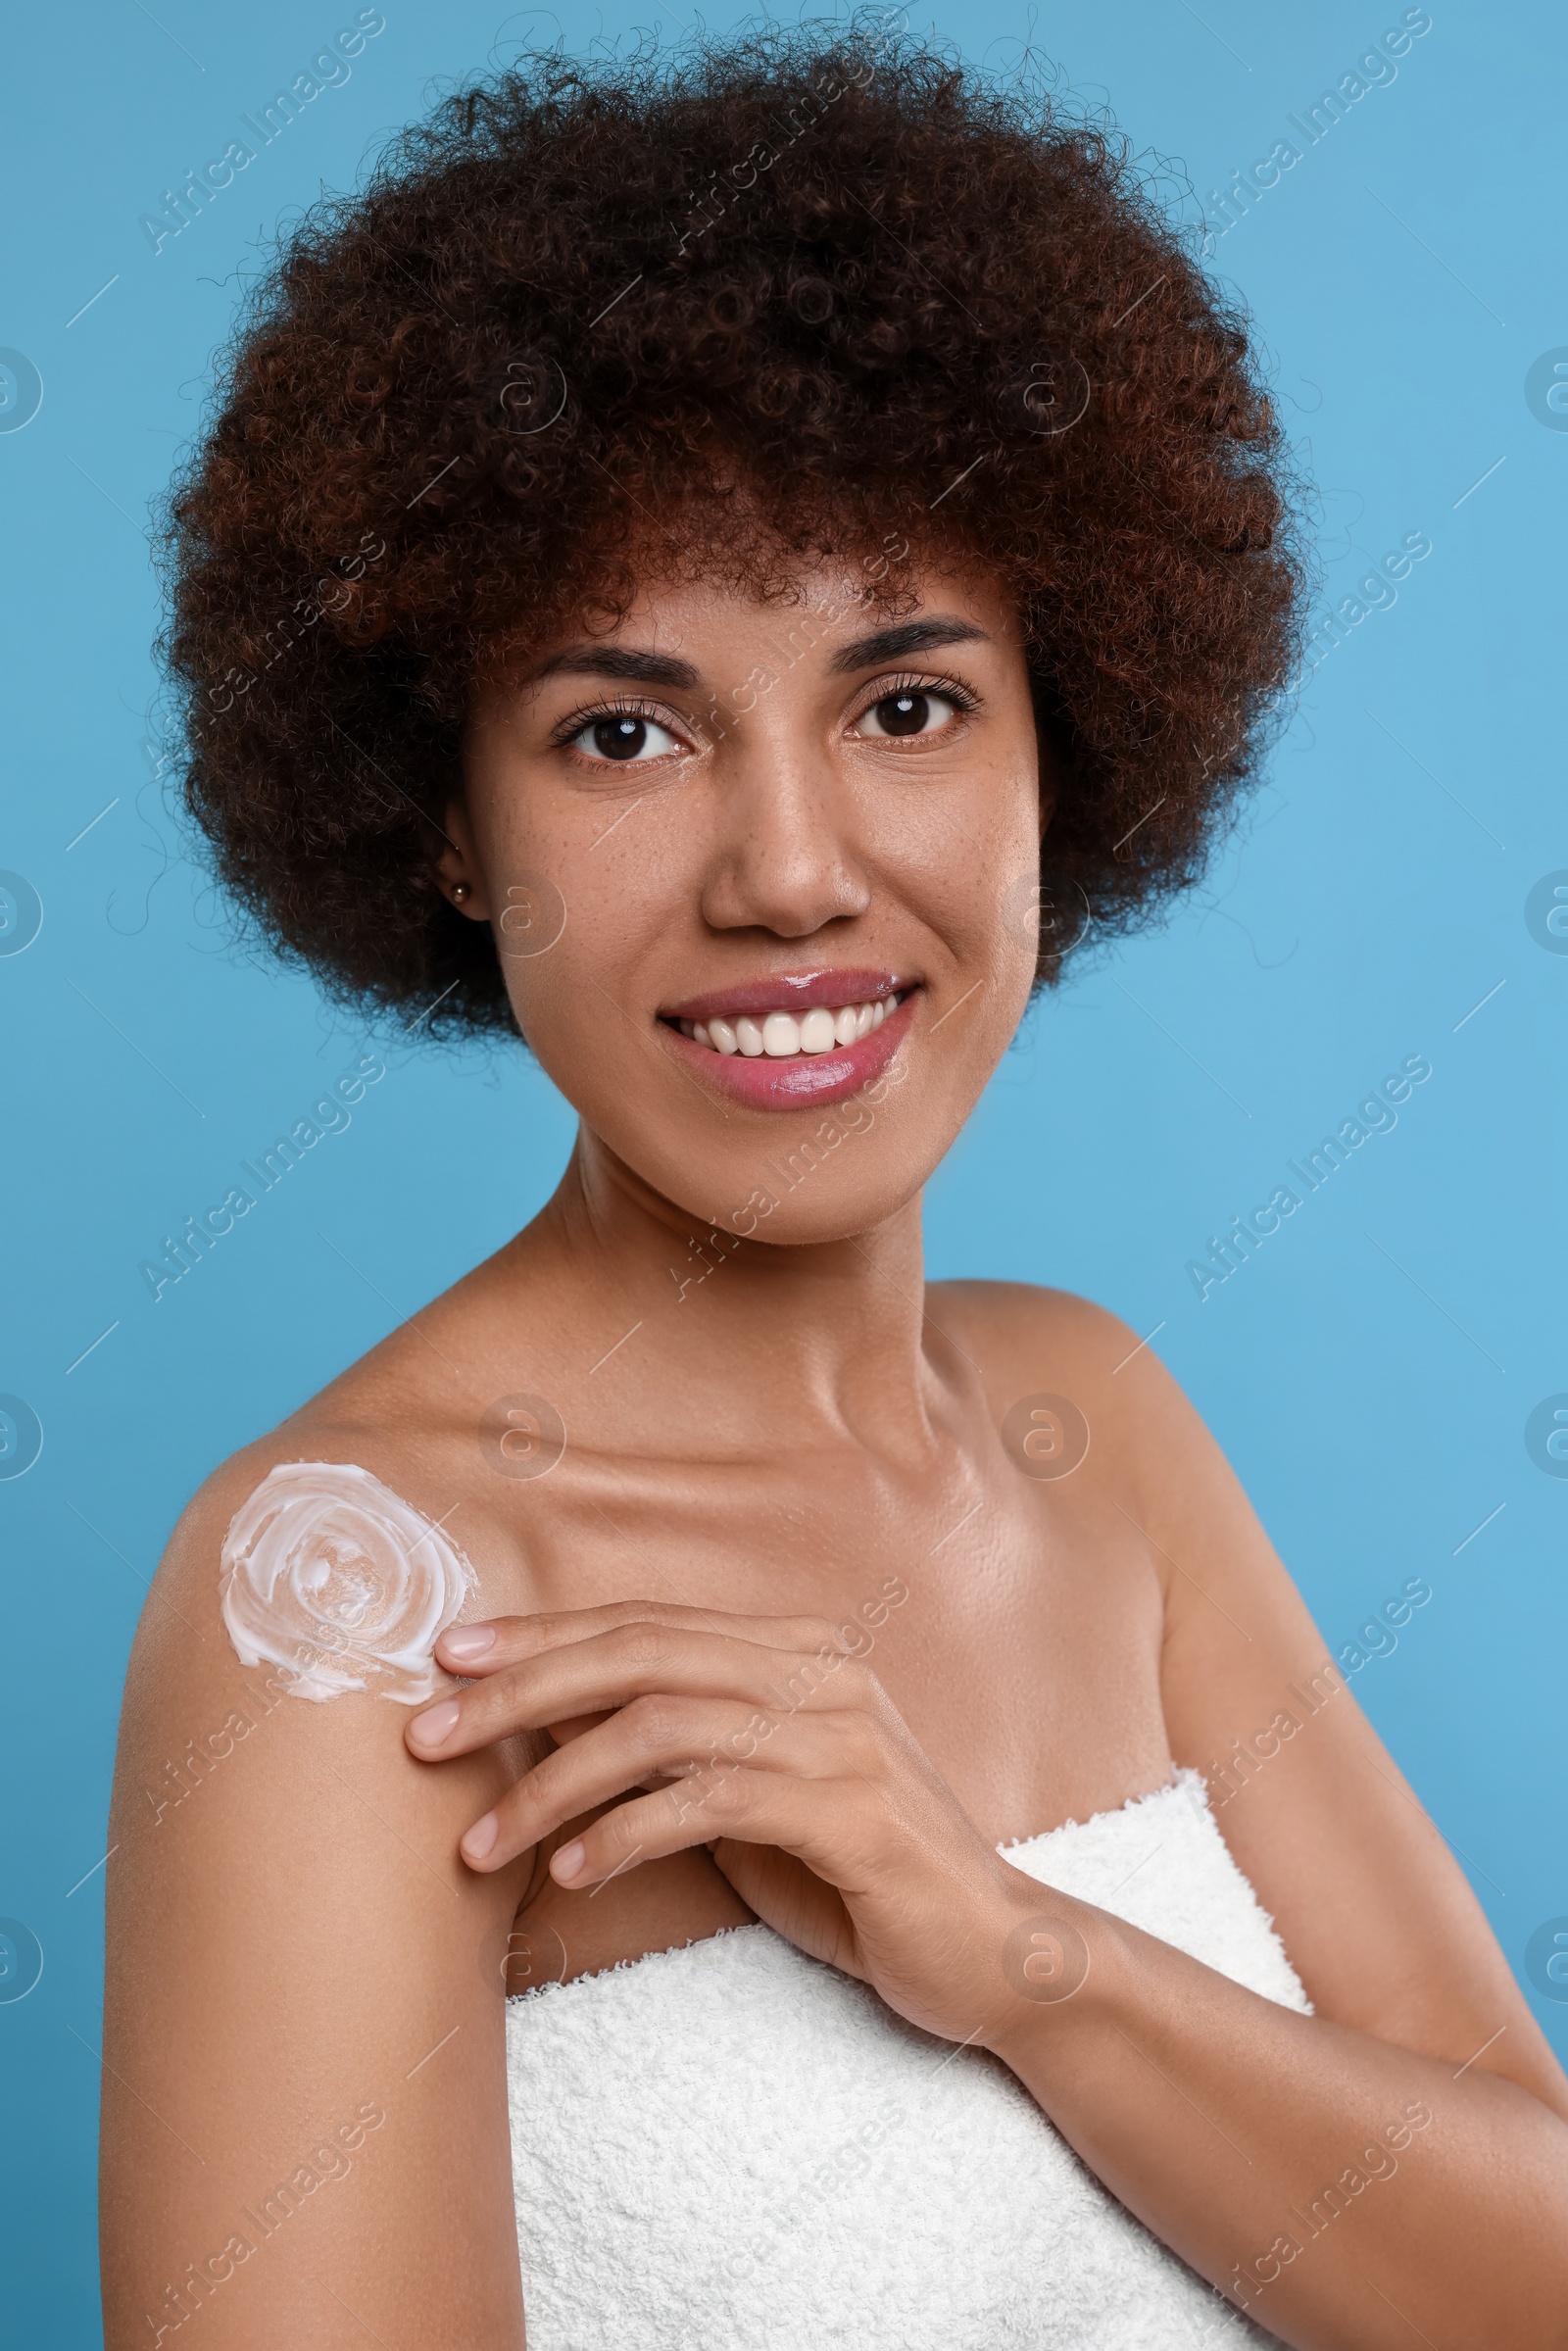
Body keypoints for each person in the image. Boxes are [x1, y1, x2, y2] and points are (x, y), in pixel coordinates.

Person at [101, 28, 1568, 2350]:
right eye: (622, 731)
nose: (790, 873)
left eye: (902, 705)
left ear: (1061, 750)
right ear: (444, 821)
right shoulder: (358, 1608)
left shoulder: (1095, 1424)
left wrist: (1016, 1961)